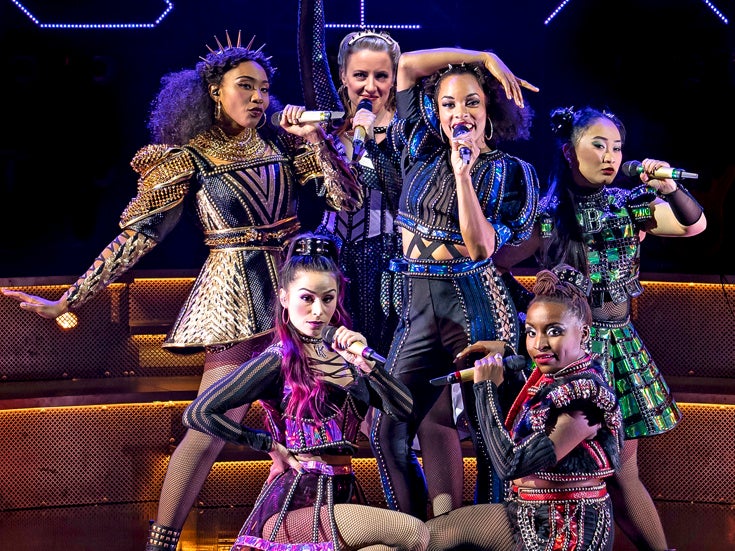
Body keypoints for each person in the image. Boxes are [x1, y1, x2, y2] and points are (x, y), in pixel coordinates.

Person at [1, 31, 362, 551]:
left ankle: (296, 534)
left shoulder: (284, 144)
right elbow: (138, 237)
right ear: (215, 91)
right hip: (235, 297)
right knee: (211, 424)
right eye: (245, 86)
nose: (258, 97)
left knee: (311, 425)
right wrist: (69, 299)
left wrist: (316, 141)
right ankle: (163, 542)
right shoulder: (188, 157)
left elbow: (347, 201)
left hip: (296, 294)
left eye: (264, 88)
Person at [495, 105, 705, 550]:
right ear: (569, 152)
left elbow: (694, 225)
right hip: (566, 357)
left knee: (624, 472)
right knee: (561, 473)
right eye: (598, 145)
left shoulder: (628, 206)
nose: (610, 156)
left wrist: (669, 187)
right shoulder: (546, 215)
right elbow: (496, 262)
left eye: (617, 147)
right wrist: (530, 307)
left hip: (620, 348)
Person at [368, 47, 540, 520]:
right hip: (416, 303)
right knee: (387, 429)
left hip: (476, 305)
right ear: (435, 111)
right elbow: (406, 66)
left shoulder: (510, 172)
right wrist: (483, 57)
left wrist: (464, 174)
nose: (459, 113)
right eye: (448, 103)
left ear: (489, 108)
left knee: (491, 434)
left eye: (471, 102)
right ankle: (415, 534)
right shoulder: (420, 146)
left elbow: (481, 248)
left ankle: (489, 537)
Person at [182, 232, 429, 551]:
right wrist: (269, 445)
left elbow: (405, 410)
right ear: (285, 298)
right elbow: (198, 413)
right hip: (296, 502)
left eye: (327, 299)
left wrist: (369, 367)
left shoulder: (349, 358)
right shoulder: (277, 360)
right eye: (307, 298)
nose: (317, 310)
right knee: (413, 532)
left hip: (342, 493)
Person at [426, 264, 624, 551]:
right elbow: (524, 421)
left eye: (553, 331)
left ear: (583, 333)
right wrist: (506, 359)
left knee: (431, 538)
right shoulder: (552, 377)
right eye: (531, 332)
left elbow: (510, 464)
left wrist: (485, 389)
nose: (539, 344)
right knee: (426, 536)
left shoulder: (583, 400)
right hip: (526, 512)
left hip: (567, 529)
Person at [298, 0, 404, 360]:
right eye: (360, 75)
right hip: (331, 255)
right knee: (330, 357)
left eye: (381, 76)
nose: (370, 86)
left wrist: (373, 138)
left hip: (388, 257)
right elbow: (312, 56)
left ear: (394, 78)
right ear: (343, 75)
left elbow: (399, 194)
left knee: (378, 355)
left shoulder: (408, 130)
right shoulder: (330, 120)